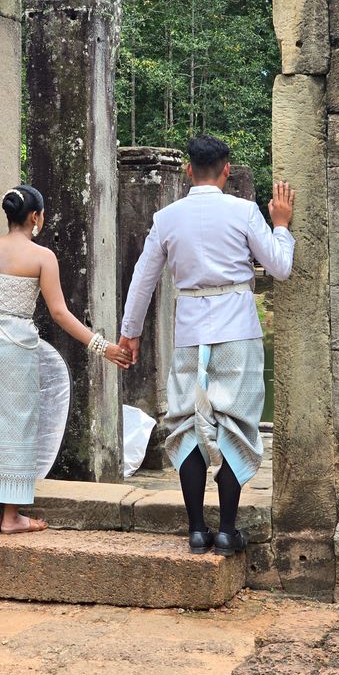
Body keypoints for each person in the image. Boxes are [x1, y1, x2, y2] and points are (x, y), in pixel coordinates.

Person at [120, 135, 295, 556]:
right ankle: (228, 530)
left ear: (187, 171)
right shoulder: (243, 211)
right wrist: (282, 226)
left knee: (186, 425)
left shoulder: (166, 218)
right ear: (227, 170)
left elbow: (143, 279)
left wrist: (131, 332)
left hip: (190, 332)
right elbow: (280, 267)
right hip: (238, 329)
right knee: (236, 424)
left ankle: (197, 529)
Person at [0, 185, 131, 535]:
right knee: (18, 430)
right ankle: (11, 517)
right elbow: (60, 314)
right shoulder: (42, 257)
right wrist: (103, 347)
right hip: (16, 354)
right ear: (36, 217)